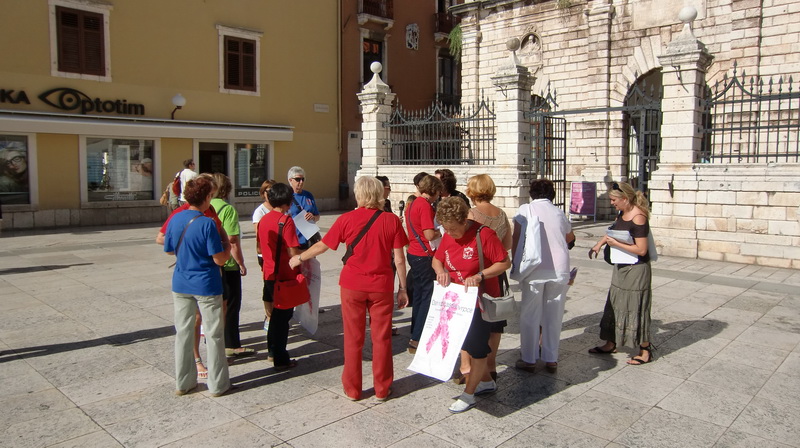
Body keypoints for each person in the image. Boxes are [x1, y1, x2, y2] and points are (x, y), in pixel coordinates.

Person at [289, 176, 409, 401]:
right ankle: (382, 388)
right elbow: (400, 259)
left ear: (359, 194)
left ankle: (353, 389)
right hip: (381, 286)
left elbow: (323, 245)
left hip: (352, 285)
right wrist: (402, 287)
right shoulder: (391, 220)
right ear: (380, 194)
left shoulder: (347, 219)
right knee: (382, 338)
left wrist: (299, 258)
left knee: (353, 338)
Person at [432, 197, 511, 413]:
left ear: (463, 221)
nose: (450, 233)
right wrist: (440, 271)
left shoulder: (484, 235)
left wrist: (480, 275)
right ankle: (486, 382)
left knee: (476, 348)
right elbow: (437, 259)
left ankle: (468, 395)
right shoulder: (448, 235)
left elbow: (504, 262)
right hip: (457, 301)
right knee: (462, 343)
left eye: (454, 229)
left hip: (478, 302)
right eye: (446, 229)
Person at [163, 175, 233, 397]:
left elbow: (168, 249)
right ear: (207, 197)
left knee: (183, 333)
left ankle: (183, 383)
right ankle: (218, 384)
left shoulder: (175, 219)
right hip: (206, 284)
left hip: (181, 282)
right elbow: (219, 259)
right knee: (213, 334)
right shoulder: (207, 223)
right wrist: (228, 247)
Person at [452, 174, 512, 385]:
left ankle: (466, 366)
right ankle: (491, 365)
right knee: (494, 321)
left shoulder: (471, 214)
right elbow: (507, 244)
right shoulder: (502, 214)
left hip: (474, 273)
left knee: (470, 320)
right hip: (496, 272)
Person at [513, 178, 575, 374]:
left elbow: (517, 238)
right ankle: (551, 358)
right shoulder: (559, 212)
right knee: (554, 315)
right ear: (551, 194)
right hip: (559, 269)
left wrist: (516, 265)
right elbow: (569, 237)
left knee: (530, 314)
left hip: (534, 269)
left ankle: (529, 358)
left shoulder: (525, 210)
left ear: (532, 193)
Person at [588, 181, 654, 365]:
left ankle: (645, 350)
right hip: (621, 265)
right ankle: (611, 342)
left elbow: (641, 250)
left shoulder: (639, 217)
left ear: (625, 199)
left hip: (636, 269)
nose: (612, 203)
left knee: (635, 306)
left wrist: (616, 245)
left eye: (614, 200)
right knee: (615, 303)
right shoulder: (622, 213)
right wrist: (599, 244)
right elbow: (614, 231)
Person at [258, 182, 303, 371]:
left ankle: (272, 350)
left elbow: (260, 247)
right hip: (285, 274)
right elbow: (294, 251)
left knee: (275, 315)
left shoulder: (264, 219)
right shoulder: (286, 221)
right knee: (283, 316)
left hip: (269, 272)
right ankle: (281, 356)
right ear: (288, 201)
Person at [210, 173, 253, 359]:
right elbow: (232, 240)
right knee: (232, 304)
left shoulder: (207, 207)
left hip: (212, 262)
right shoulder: (228, 210)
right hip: (227, 263)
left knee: (217, 304)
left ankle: (214, 339)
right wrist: (241, 263)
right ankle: (232, 344)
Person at [405, 174, 443, 353]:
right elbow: (428, 234)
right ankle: (418, 338)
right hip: (424, 254)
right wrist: (441, 231)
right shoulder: (425, 206)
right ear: (433, 191)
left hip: (413, 251)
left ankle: (415, 333)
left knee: (419, 296)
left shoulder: (412, 203)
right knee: (427, 296)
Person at [252, 179, 276, 335]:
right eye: (268, 191)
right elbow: (259, 234)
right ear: (263, 193)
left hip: (281, 253)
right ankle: (268, 316)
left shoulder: (280, 209)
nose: (270, 194)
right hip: (266, 254)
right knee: (268, 285)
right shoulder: (260, 211)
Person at [287, 166, 320, 249]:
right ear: (290, 180)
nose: (301, 182)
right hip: (293, 239)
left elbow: (317, 216)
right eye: (298, 179)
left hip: (309, 239)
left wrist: (313, 217)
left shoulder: (308, 195)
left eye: (303, 179)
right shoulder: (287, 196)